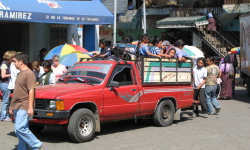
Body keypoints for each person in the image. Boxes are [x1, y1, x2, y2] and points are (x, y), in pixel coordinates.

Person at [9, 53, 43, 150]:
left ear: (21, 62)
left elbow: (31, 90)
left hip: (24, 105)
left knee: (19, 128)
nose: (14, 64)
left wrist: (30, 107)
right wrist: (11, 107)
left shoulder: (29, 73)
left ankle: (36, 144)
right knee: (21, 130)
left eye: (15, 62)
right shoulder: (20, 73)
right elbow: (16, 92)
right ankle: (22, 148)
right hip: (16, 105)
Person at [0, 51, 13, 121]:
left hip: (6, 84)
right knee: (5, 101)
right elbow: (3, 75)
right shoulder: (4, 64)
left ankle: (5, 115)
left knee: (7, 100)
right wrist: (12, 74)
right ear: (9, 57)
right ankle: (3, 116)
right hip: (5, 84)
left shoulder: (7, 63)